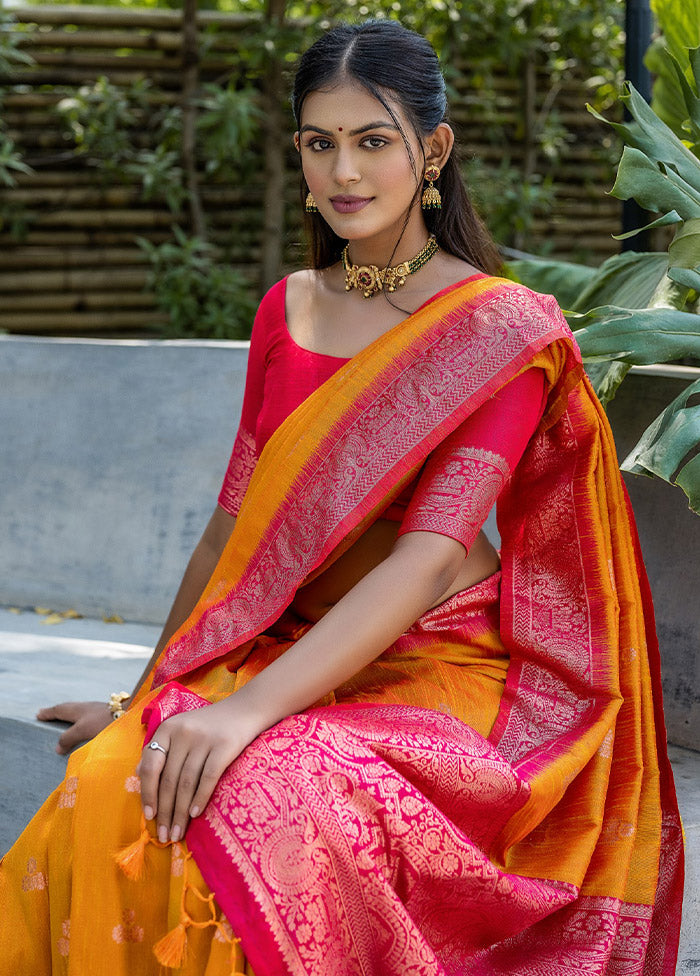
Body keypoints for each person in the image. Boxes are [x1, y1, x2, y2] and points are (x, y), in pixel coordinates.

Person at [0, 19, 683, 976]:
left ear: (433, 151)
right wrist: (145, 695)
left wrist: (243, 713)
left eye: (373, 141)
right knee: (118, 776)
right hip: (285, 647)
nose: (343, 173)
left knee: (265, 789)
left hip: (437, 671)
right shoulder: (288, 308)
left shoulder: (497, 330)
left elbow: (430, 554)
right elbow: (229, 529)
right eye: (320, 143)